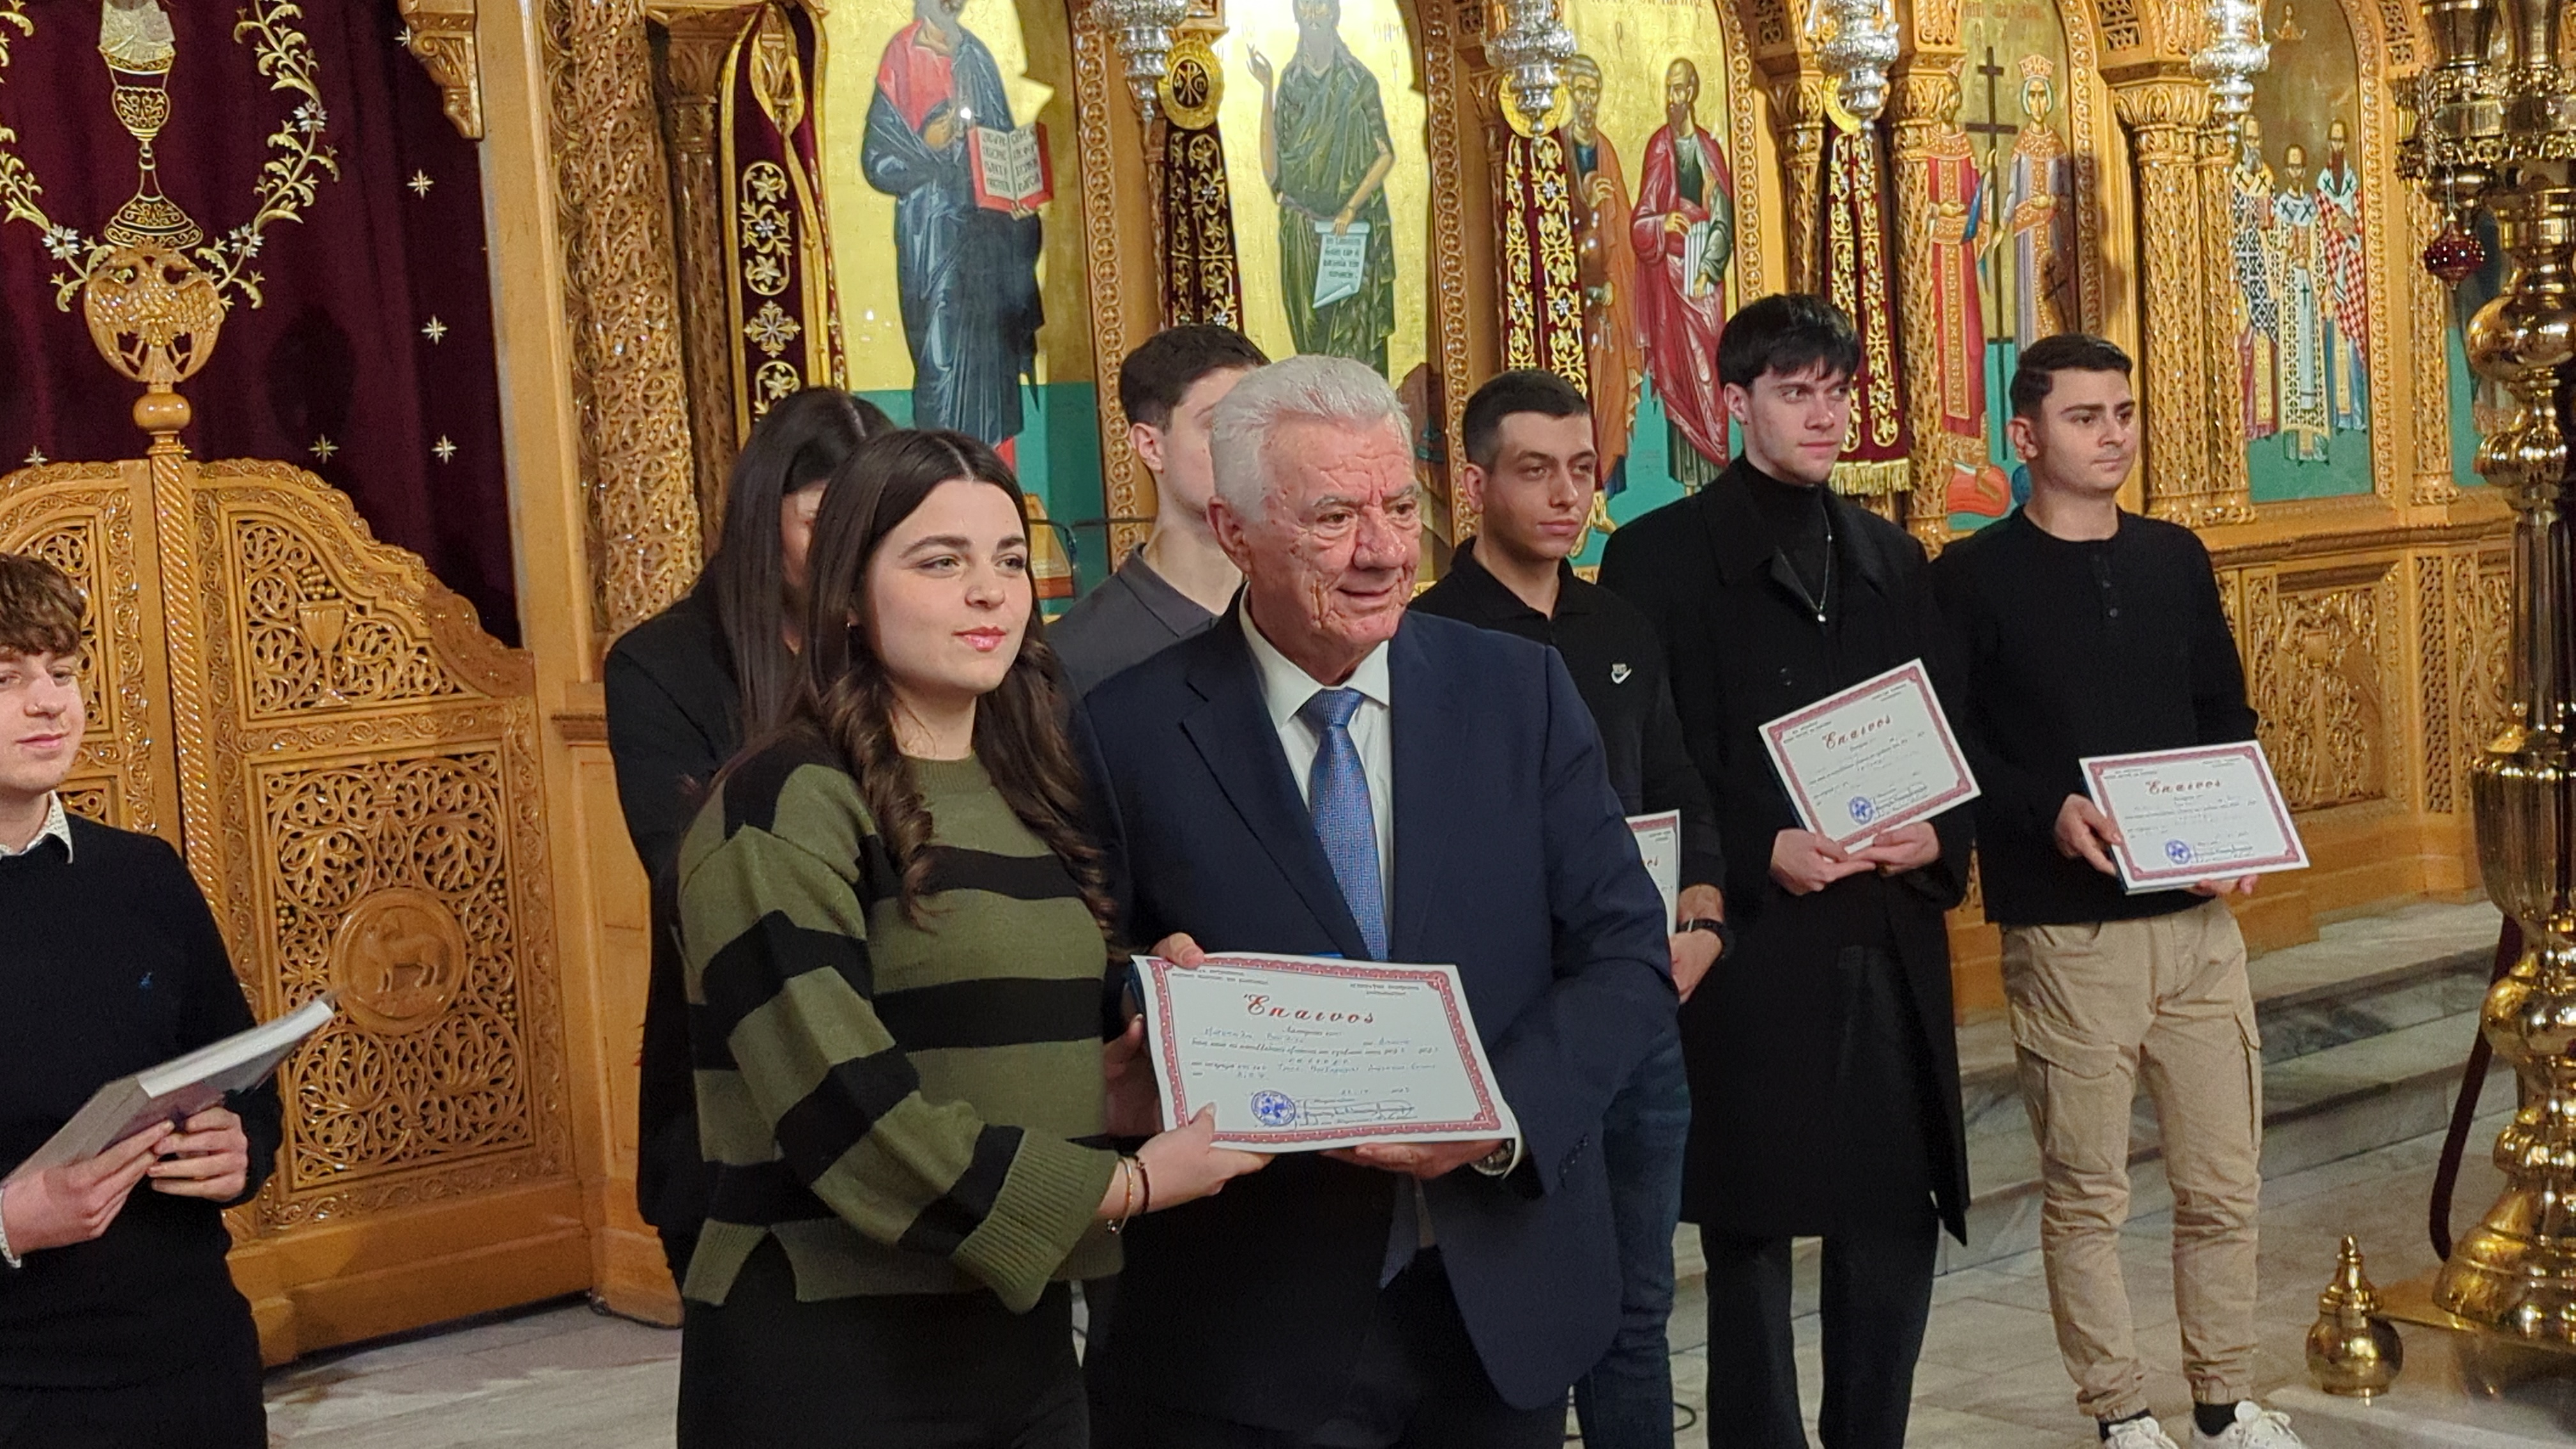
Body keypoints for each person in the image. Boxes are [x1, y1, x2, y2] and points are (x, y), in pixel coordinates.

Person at [1082, 356, 1675, 1448]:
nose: (1386, 550)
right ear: (1234, 530)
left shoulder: (1520, 693)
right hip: (1249, 1321)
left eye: (1400, 507)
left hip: (1499, 1295)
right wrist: (1151, 998)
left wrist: (1496, 1115)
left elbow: (1627, 951)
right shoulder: (1124, 728)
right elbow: (1086, 967)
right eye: (1334, 516)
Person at [670, 429, 1266, 1447]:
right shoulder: (783, 803)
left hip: (1015, 1332)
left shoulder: (1023, 787)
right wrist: (1128, 1185)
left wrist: (1130, 1050)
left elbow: (970, 1020)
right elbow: (845, 1114)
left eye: (1009, 558)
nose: (990, 591)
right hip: (831, 1350)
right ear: (846, 596)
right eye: (940, 562)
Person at [1598, 294, 1972, 1449]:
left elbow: (1941, 733)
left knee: (1892, 1221)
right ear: (1733, 402)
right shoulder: (1657, 556)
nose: (1824, 416)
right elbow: (1651, 754)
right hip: (1753, 941)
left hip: (1883, 933)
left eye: (1837, 393)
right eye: (1796, 392)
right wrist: (1759, 844)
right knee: (1750, 1232)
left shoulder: (1890, 555)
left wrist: (1937, 834)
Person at [1929, 336, 2303, 1449]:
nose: (2112, 434)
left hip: (2196, 921)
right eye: (2085, 416)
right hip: (2069, 929)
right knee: (2088, 1190)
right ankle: (2119, 1411)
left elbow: (2222, 709)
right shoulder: (1971, 576)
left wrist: (2240, 824)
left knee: (2224, 1182)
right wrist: (2043, 807)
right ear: (2025, 435)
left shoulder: (2173, 556)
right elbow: (1953, 744)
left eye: (2123, 412)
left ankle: (2225, 1400)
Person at [1409, 369, 1726, 1449]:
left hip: (1635, 1015)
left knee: (1637, 1307)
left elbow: (1677, 781)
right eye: (1535, 470)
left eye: (1583, 470)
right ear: (1474, 483)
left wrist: (1702, 915)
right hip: (1506, 1022)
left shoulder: (1620, 624)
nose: (1565, 495)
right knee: (1511, 1313)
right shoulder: (1422, 638)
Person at [0, 551, 282, 1449]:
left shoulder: (144, 874)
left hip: (194, 1358)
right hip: (25, 1384)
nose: (48, 703)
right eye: (6, 679)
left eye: (63, 673)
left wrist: (239, 1149)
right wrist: (7, 1224)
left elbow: (245, 1085)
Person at [606, 387, 886, 1287]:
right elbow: (685, 871)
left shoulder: (904, 644)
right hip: (736, 1071)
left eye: (875, 525)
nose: (849, 552)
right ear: (763, 516)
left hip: (909, 1049)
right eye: (823, 522)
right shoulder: (664, 663)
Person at [861, 0, 1046, 446]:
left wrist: (1020, 194)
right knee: (939, 359)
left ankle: (991, 471)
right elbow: (878, 159)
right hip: (935, 238)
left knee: (992, 361)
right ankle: (941, 467)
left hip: (989, 241)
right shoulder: (903, 54)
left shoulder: (976, 55)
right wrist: (929, 145)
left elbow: (1002, 141)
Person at [1050, 325, 1268, 696]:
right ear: (1151, 447)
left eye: (1262, 424)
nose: (1251, 448)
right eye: (1220, 425)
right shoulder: (1074, 657)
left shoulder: (1303, 614)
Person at [1250, 0, 1397, 374]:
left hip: (1348, 233)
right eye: (1305, 8)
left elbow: (1384, 154)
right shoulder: (1291, 82)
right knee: (1311, 342)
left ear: (1334, 13)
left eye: (1319, 7)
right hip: (1301, 228)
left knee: (1351, 345)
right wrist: (1267, 89)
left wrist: (1350, 207)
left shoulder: (1357, 82)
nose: (1312, 16)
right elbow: (1274, 174)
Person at [1630, 56, 1734, 489]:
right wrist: (1662, 221)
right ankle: (1689, 484)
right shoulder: (1659, 146)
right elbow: (1640, 222)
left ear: (1692, 92)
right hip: (1670, 282)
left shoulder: (1709, 150)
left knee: (1709, 376)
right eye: (1668, 90)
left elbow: (1724, 218)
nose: (1672, 98)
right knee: (1679, 376)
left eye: (1679, 89)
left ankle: (1717, 476)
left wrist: (1707, 269)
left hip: (1703, 283)